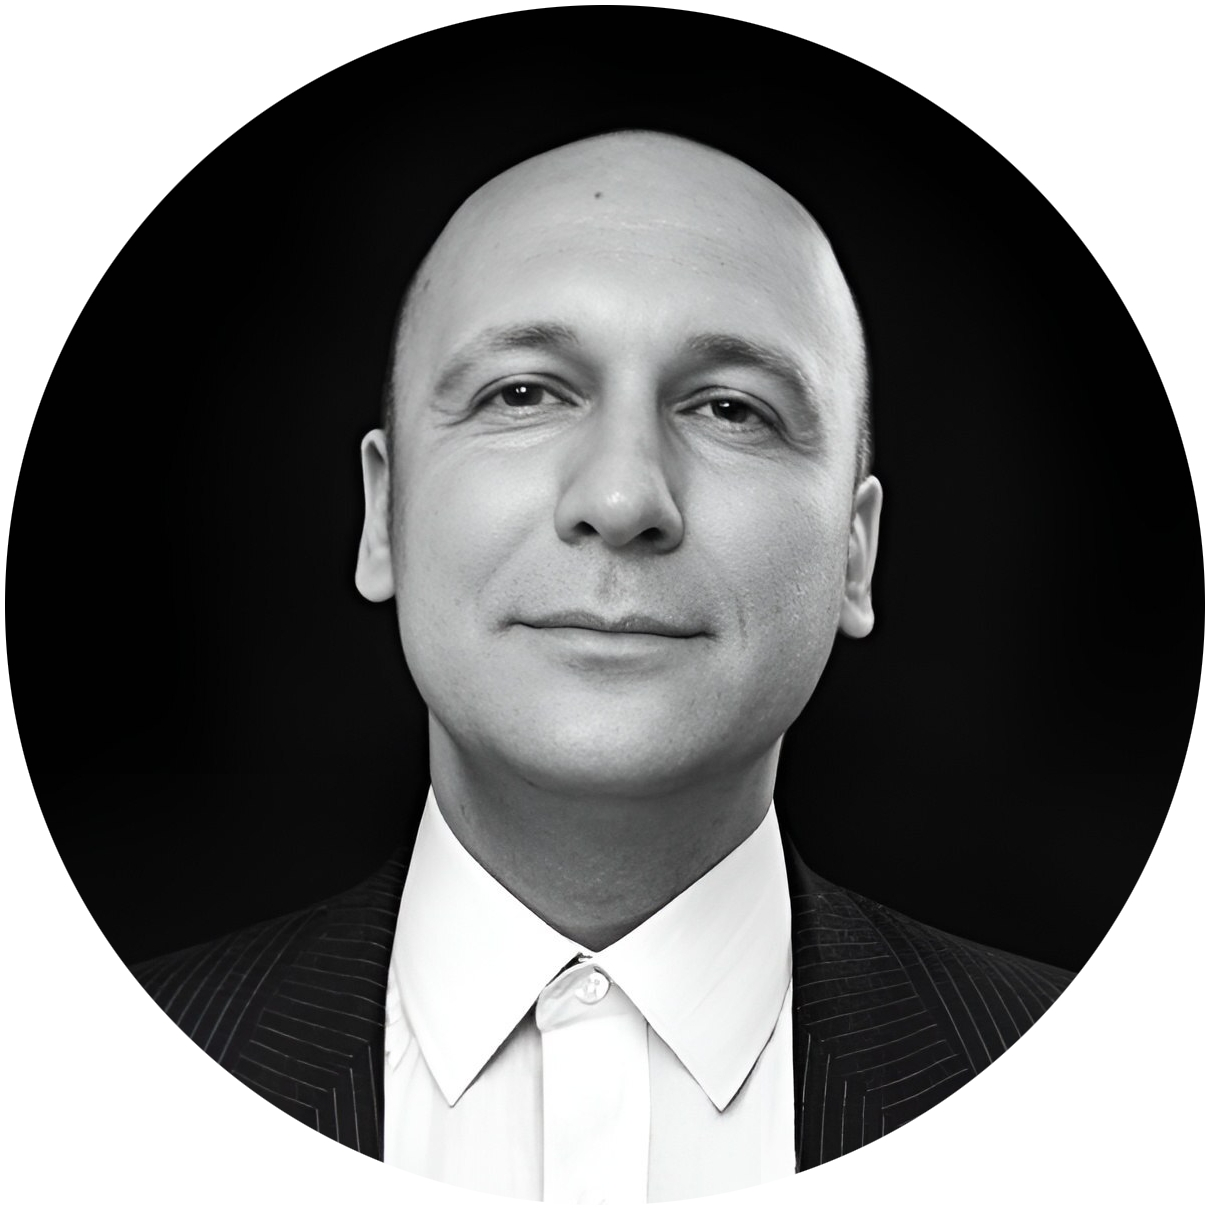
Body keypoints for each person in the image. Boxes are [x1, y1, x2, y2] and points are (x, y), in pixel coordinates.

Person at [5, 131, 1202, 1206]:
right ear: (382, 515)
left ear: (855, 550)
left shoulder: (1161, 1131)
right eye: (524, 392)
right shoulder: (36, 1128)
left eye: (731, 409)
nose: (624, 497)